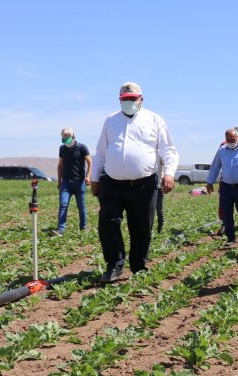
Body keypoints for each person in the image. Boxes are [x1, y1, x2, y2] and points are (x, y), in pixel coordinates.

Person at [91, 82, 179, 283]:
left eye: (133, 99)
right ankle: (114, 265)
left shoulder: (154, 120)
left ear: (141, 99)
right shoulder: (110, 120)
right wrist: (95, 178)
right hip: (112, 182)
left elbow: (168, 150)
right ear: (119, 100)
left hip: (144, 183)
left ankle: (139, 265)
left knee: (141, 227)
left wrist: (169, 173)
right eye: (125, 99)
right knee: (108, 223)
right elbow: (101, 153)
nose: (129, 102)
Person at [52, 128, 92, 236]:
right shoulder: (62, 148)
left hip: (79, 182)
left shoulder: (82, 147)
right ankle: (61, 229)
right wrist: (59, 180)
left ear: (73, 136)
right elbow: (60, 164)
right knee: (63, 204)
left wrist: (88, 177)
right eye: (63, 137)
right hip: (66, 182)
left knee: (81, 205)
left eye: (67, 137)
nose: (65, 140)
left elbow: (90, 162)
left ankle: (83, 228)